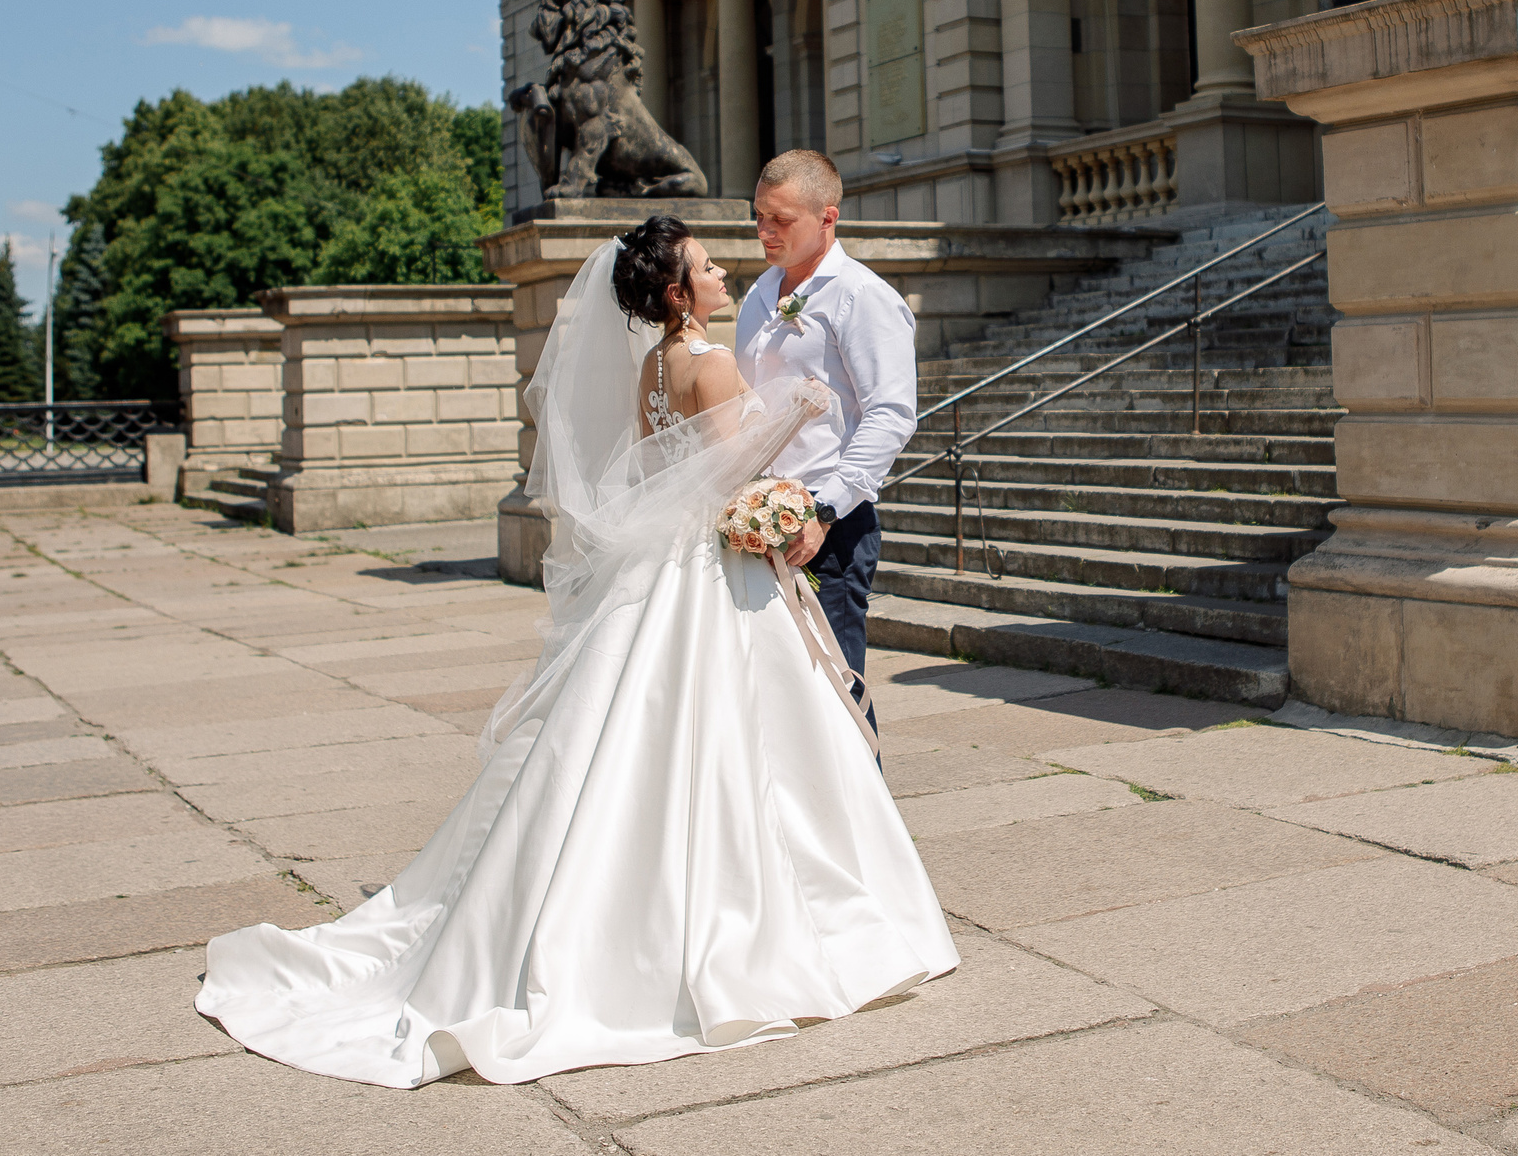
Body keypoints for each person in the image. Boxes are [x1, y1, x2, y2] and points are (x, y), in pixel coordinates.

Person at [193, 215, 957, 1088]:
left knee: (631, 727)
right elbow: (728, 470)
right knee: (734, 734)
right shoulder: (710, 362)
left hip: (663, 565)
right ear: (677, 293)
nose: (721, 272)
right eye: (705, 267)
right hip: (712, 569)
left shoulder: (650, 366)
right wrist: (795, 429)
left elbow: (658, 460)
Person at [736, 150, 918, 733]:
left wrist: (825, 508)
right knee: (771, 701)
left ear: (827, 217)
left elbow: (890, 414)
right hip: (757, 524)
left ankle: (867, 822)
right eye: (759, 216)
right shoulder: (757, 295)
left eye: (780, 220)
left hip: (828, 528)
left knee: (834, 696)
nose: (765, 231)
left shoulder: (861, 296)